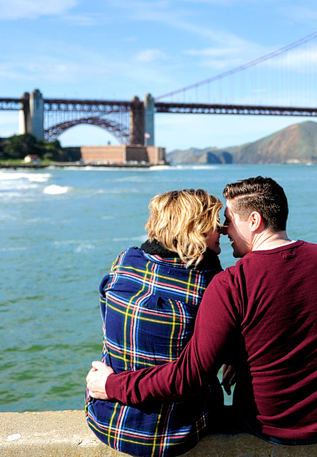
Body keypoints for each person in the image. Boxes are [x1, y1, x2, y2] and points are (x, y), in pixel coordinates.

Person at [88, 176, 317, 445]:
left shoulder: (229, 282)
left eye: (228, 220)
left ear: (254, 221)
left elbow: (188, 376)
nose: (225, 228)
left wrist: (111, 386)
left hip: (269, 425)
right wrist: (238, 356)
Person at [85, 189, 225, 457]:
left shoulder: (125, 260)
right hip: (178, 431)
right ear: (196, 229)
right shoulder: (210, 282)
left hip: (106, 418)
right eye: (215, 224)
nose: (223, 230)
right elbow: (196, 373)